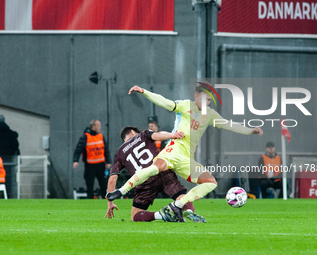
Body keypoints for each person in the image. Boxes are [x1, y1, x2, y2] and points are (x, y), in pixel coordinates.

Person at [107, 82, 263, 222]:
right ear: (196, 96)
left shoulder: (210, 115)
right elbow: (164, 102)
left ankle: (177, 205)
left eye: (209, 100)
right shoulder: (184, 105)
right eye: (204, 99)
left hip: (186, 158)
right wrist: (144, 92)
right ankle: (122, 190)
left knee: (210, 183)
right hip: (174, 149)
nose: (207, 103)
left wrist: (250, 131)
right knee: (156, 168)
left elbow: (229, 125)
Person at [105, 126, 206, 223]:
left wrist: (110, 202)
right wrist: (173, 135)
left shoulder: (119, 153)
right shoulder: (143, 135)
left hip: (144, 181)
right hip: (162, 171)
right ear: (132, 132)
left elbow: (112, 179)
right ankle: (188, 211)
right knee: (182, 197)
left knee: (135, 215)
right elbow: (157, 136)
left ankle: (160, 215)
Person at [73, 120, 112, 199]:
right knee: (89, 184)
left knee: (103, 184)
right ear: (93, 127)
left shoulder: (101, 136)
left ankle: (106, 200)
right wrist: (76, 160)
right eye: (98, 125)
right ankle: (90, 199)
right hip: (90, 165)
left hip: (101, 164)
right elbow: (78, 149)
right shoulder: (85, 136)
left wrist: (108, 161)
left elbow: (106, 150)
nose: (100, 127)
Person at [0, 115, 20, 198]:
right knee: (9, 181)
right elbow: (15, 146)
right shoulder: (11, 134)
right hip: (11, 162)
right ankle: (9, 196)